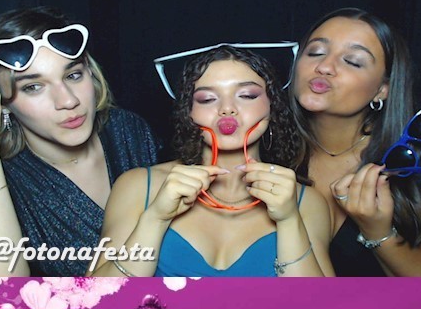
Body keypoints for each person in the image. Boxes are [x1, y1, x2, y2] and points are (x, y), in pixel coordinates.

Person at [97, 47, 332, 278]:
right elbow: (95, 299)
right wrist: (155, 218)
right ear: (188, 112)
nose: (227, 109)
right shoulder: (138, 186)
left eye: (247, 96)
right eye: (207, 99)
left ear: (273, 106)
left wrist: (289, 221)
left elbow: (321, 303)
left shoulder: (306, 202)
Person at [0, 8, 157, 277]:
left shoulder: (129, 130)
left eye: (73, 75)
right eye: (33, 87)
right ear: (3, 101)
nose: (68, 100)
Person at [290, 10, 421, 278]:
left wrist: (378, 232)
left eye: (352, 61)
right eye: (315, 52)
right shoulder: (263, 148)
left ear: (382, 90)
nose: (324, 66)